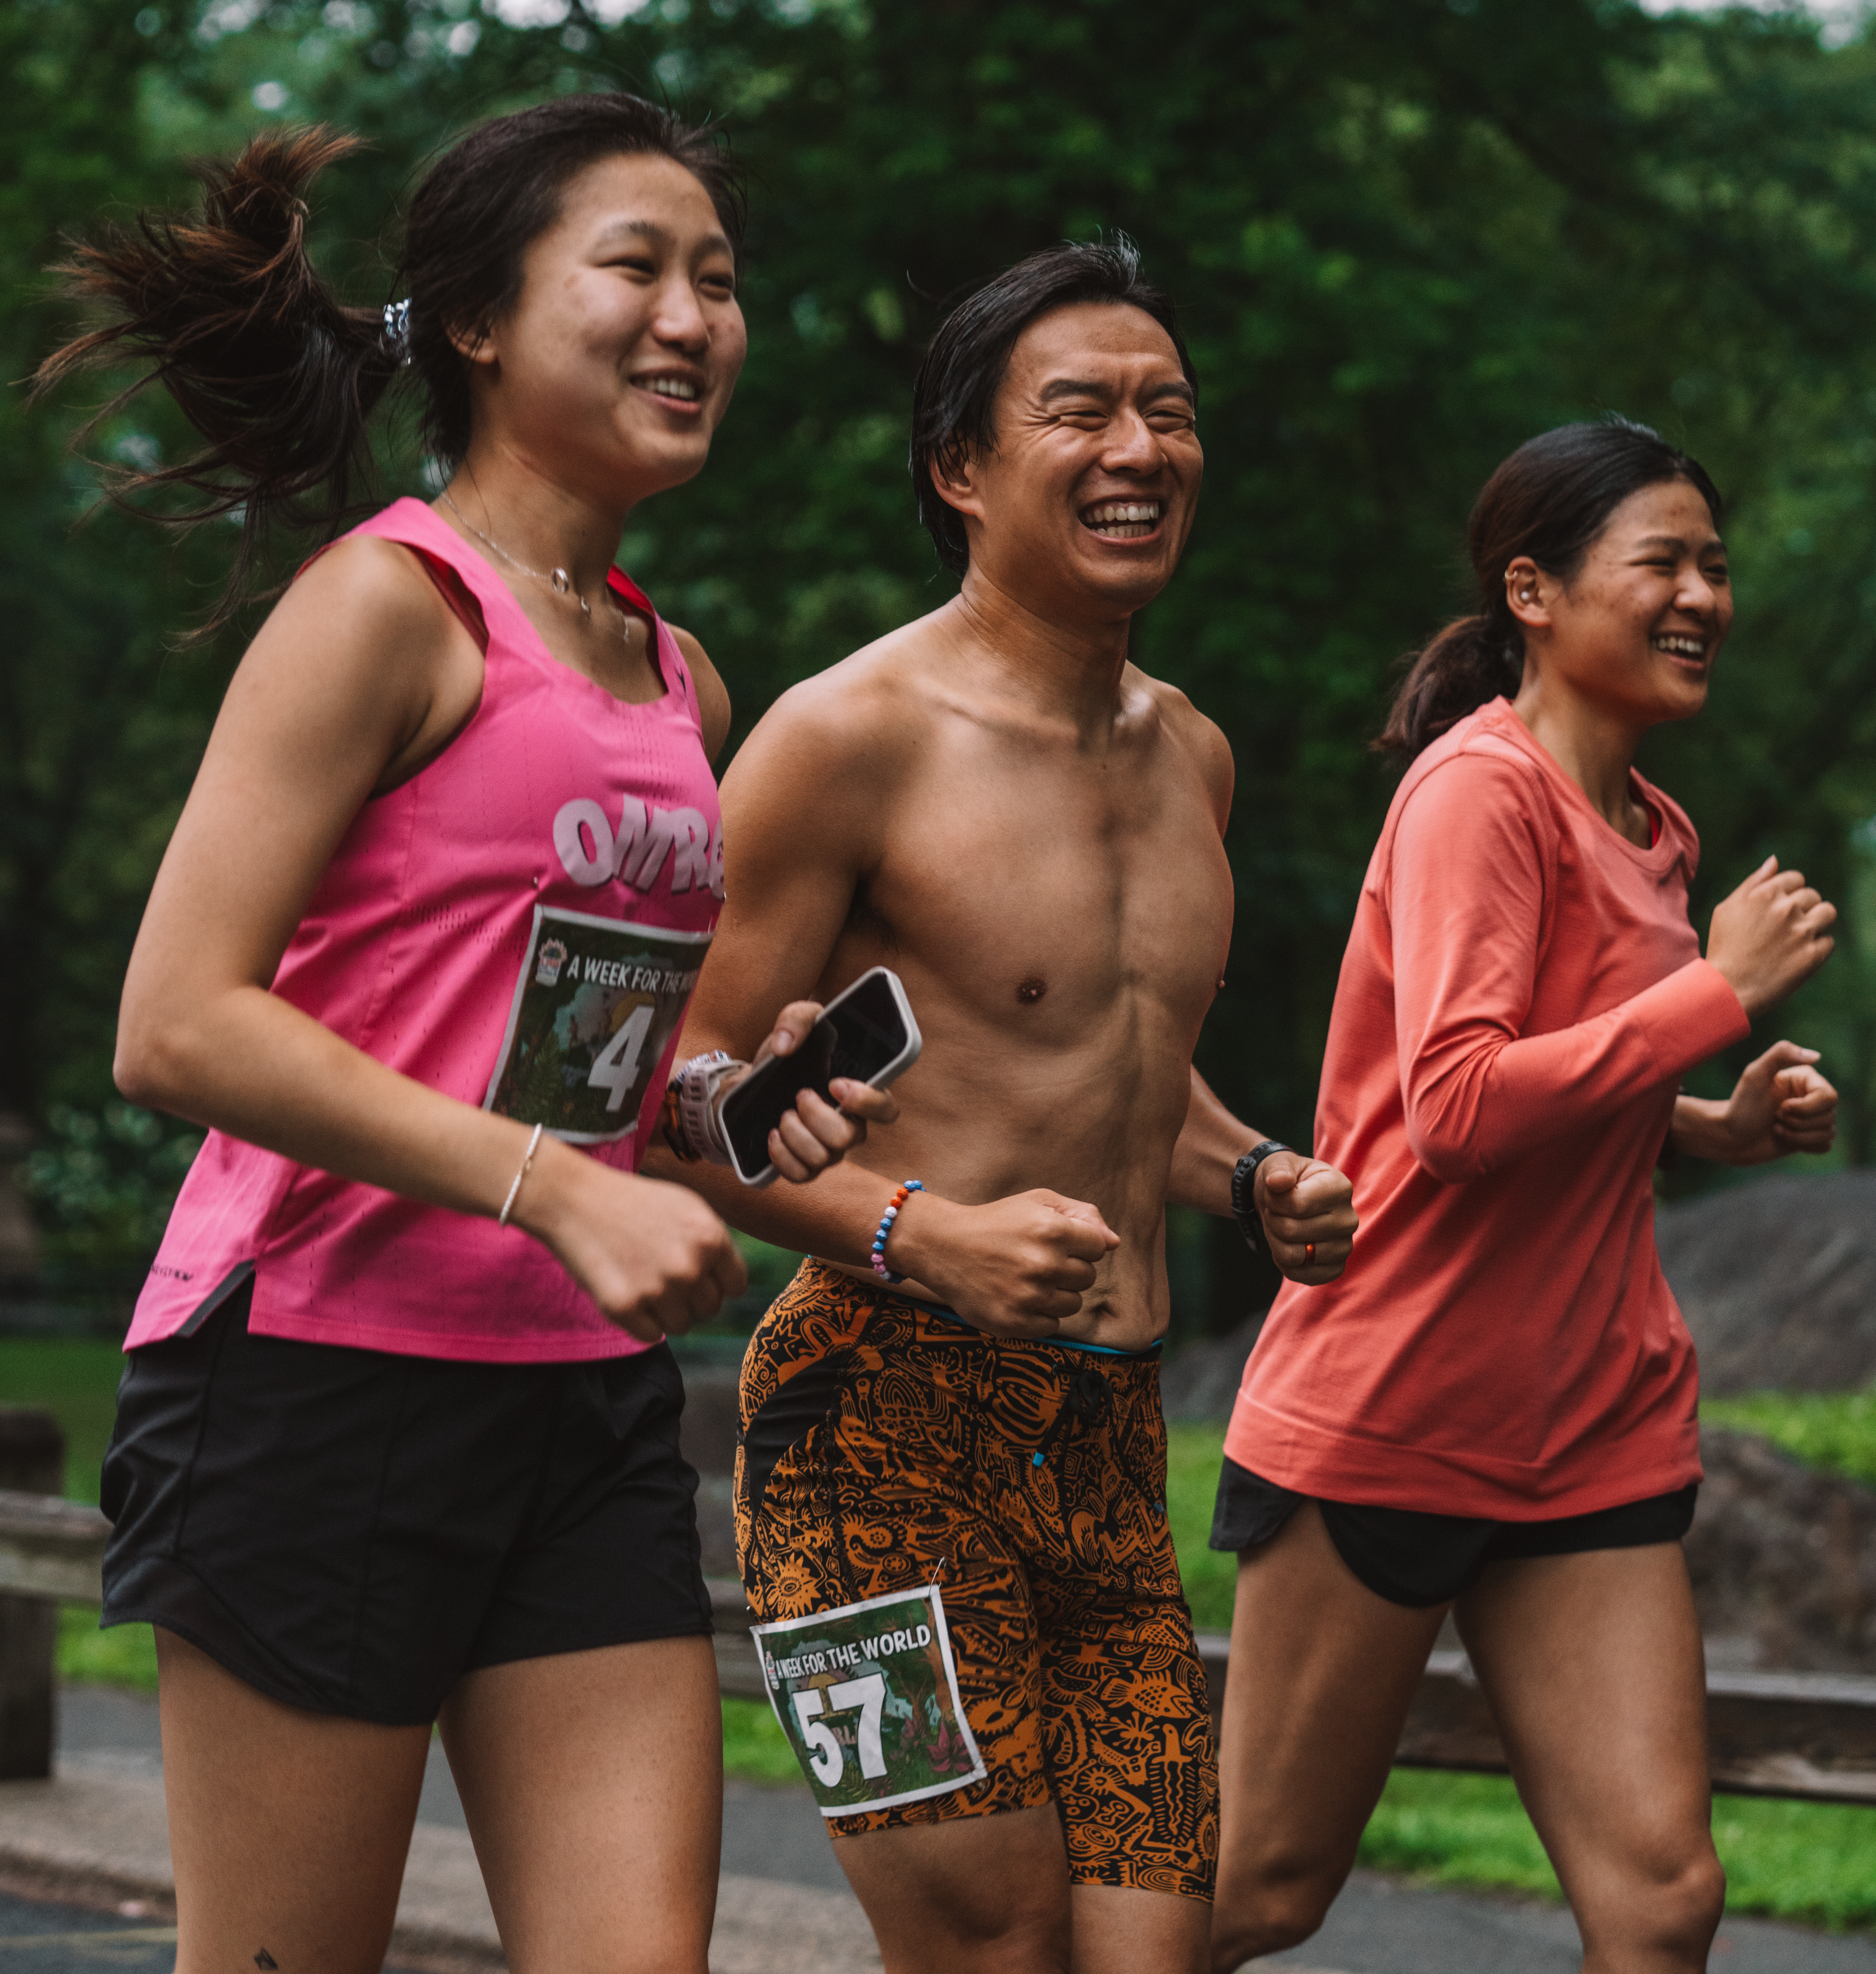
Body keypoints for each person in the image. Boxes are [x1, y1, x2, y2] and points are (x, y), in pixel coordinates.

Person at [36, 97, 892, 1974]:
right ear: (483, 323)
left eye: (721, 279)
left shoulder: (678, 679)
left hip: (576, 1403)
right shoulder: (386, 608)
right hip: (313, 1378)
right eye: (638, 268)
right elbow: (175, 1025)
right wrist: (555, 1193)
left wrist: (711, 1102)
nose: (695, 319)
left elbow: (554, 1062)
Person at [662, 241, 1359, 1974]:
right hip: (865, 1438)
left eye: (1168, 412)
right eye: (1083, 411)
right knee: (987, 1949)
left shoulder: (1189, 752)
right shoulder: (846, 737)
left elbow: (1117, 1067)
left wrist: (1252, 1172)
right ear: (961, 469)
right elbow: (678, 1101)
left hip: (1110, 1447)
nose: (1139, 449)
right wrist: (922, 1234)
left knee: (1152, 1948)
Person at [1207, 419, 1839, 1974]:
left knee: (1662, 1905)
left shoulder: (1655, 831)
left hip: (1590, 1429)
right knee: (1255, 1895)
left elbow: (1569, 1074)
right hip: (1397, 1410)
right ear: (1534, 591)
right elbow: (1459, 1107)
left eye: (1716, 567)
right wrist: (1715, 996)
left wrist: (1714, 1125)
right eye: (1664, 563)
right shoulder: (1478, 794)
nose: (1703, 596)